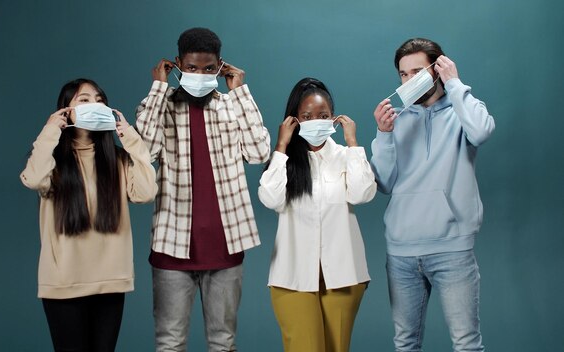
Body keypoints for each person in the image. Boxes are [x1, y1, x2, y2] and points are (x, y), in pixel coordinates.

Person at [135, 27, 271, 351]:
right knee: (169, 343)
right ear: (178, 64)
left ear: (220, 67)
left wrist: (240, 93)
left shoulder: (229, 106)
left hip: (226, 244)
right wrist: (158, 89)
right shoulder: (162, 106)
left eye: (208, 68)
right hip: (173, 245)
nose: (200, 74)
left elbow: (259, 152)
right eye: (192, 68)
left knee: (223, 343)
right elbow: (144, 151)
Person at [370, 38, 495, 352]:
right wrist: (383, 136)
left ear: (437, 69)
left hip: (452, 248)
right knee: (405, 344)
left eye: (417, 71)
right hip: (400, 252)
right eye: (403, 75)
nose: (409, 81)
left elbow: (481, 131)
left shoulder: (462, 110)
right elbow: (383, 182)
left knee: (467, 344)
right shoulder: (395, 120)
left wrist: (455, 83)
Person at [20, 78, 157, 351]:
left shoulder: (116, 159)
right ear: (66, 111)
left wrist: (131, 138)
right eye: (84, 100)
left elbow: (145, 192)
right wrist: (50, 131)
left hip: (111, 281)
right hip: (64, 283)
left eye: (99, 99)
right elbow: (34, 179)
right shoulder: (51, 161)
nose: (94, 104)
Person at [258, 77, 376, 352]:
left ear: (333, 118)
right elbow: (270, 199)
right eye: (307, 116)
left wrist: (353, 142)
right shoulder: (286, 163)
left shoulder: (348, 156)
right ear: (294, 120)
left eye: (323, 116)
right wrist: (281, 147)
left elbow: (362, 194)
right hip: (292, 276)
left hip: (345, 275)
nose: (316, 121)